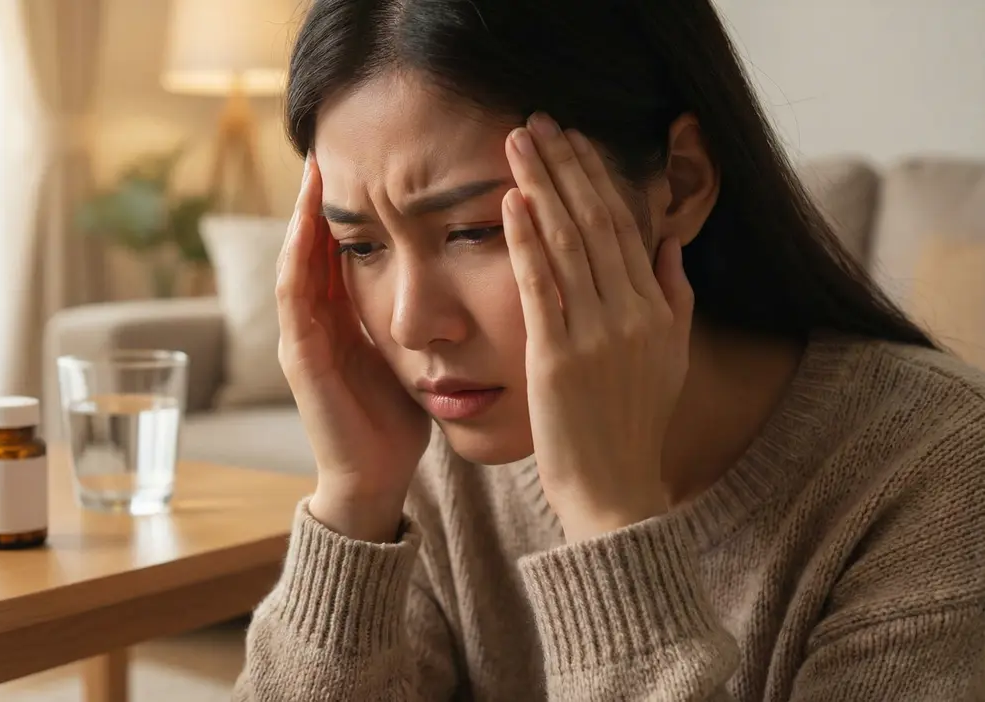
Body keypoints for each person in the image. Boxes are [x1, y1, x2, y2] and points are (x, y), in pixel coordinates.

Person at [233, 0, 985, 699]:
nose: (407, 323)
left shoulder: (939, 474)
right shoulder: (439, 473)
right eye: (359, 245)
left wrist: (609, 518)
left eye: (473, 230)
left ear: (680, 183)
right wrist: (353, 500)